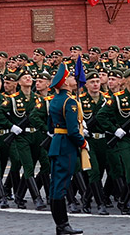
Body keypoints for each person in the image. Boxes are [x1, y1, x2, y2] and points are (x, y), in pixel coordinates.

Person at [45, 64, 85, 235]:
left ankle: (60, 225)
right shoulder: (69, 101)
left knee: (56, 185)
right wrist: (82, 143)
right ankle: (63, 224)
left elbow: (50, 126)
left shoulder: (54, 100)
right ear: (65, 83)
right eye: (70, 77)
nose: (73, 79)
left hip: (57, 143)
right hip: (66, 145)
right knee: (61, 186)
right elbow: (72, 130)